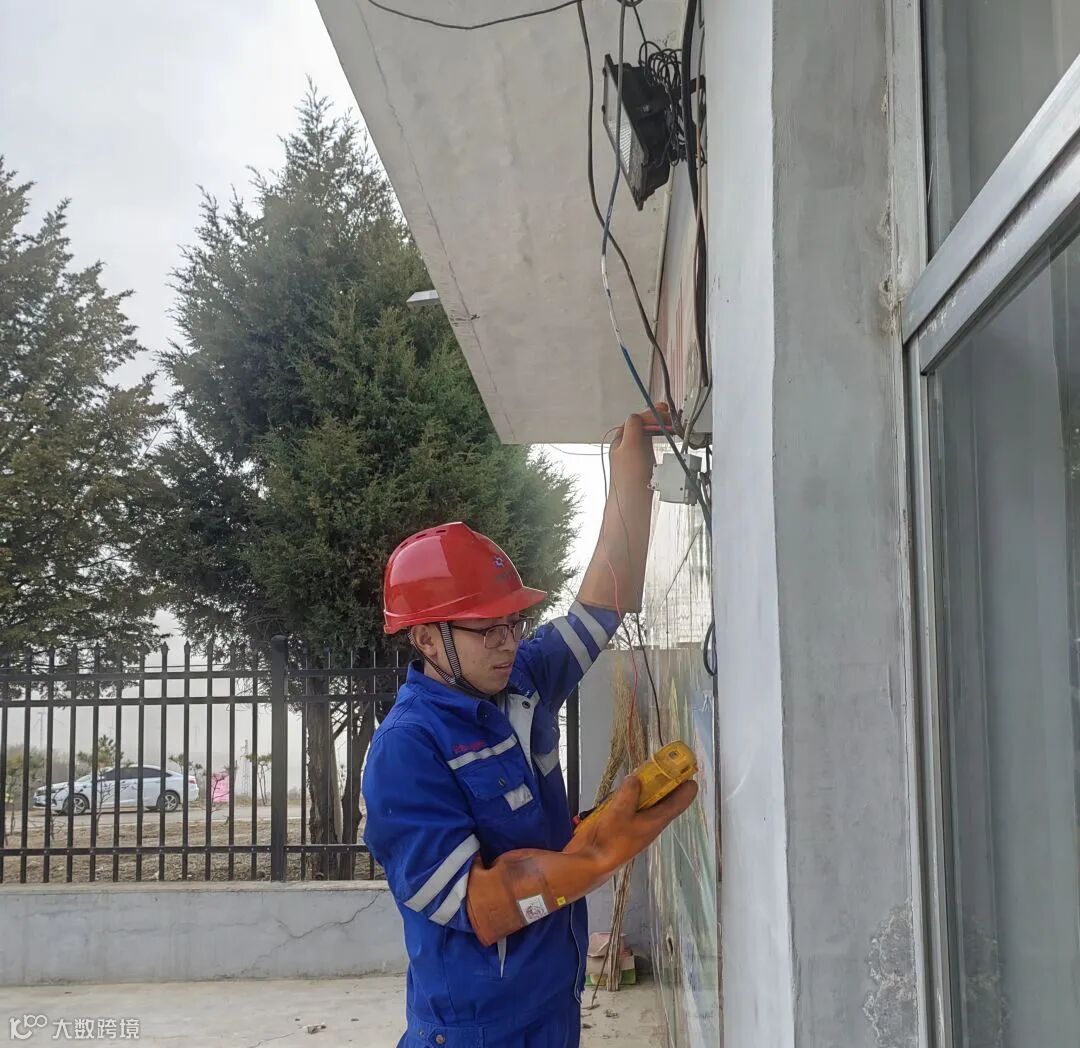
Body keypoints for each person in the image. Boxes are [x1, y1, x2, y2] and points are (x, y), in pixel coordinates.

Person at [362, 407, 698, 1048]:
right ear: (428, 639)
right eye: (486, 628)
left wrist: (631, 476)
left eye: (514, 622)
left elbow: (602, 607)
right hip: (477, 1030)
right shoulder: (407, 749)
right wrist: (595, 854)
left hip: (552, 1005)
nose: (508, 641)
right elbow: (480, 908)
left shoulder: (520, 679)